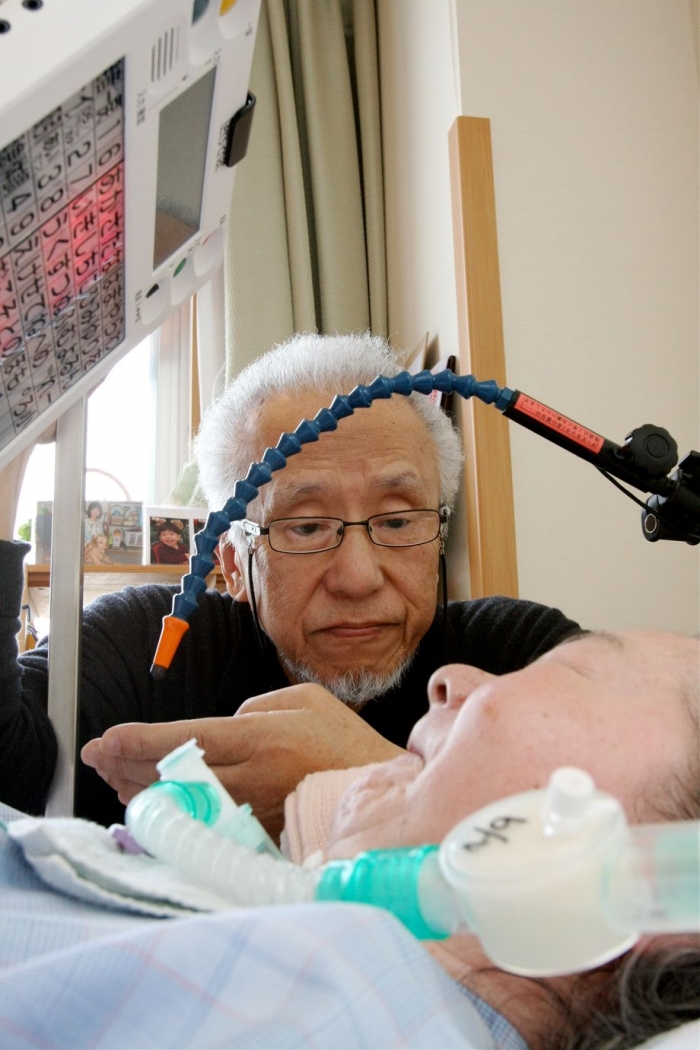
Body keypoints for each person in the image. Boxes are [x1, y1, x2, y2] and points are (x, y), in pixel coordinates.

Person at [0, 629, 698, 1049]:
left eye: (566, 669)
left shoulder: (346, 1010)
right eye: (307, 525)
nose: (449, 681)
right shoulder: (332, 969)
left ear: (650, 882)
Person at [0, 333, 580, 832]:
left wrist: (361, 780)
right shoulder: (149, 650)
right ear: (231, 563)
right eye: (305, 527)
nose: (358, 576)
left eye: (399, 521)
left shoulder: (515, 660)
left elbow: (636, 824)